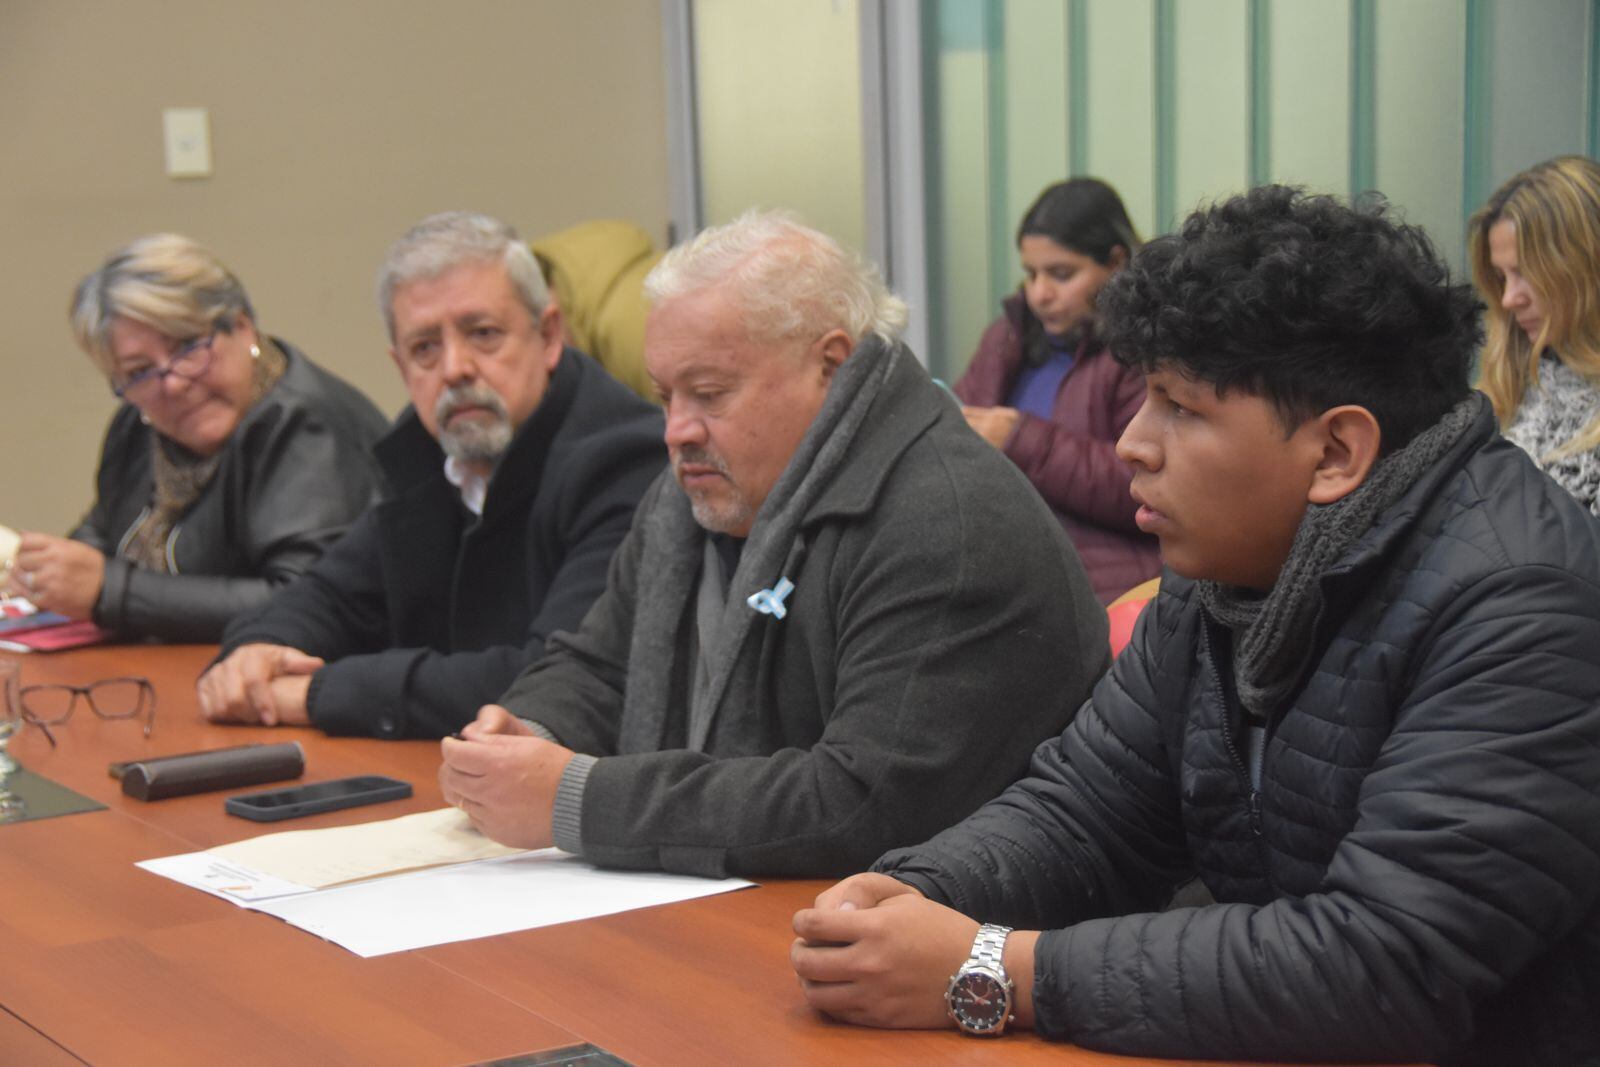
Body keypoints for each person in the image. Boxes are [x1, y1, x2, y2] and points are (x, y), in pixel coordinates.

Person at [791, 186, 1600, 1066]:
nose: (1134, 442)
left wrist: (996, 967)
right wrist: (911, 896)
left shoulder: (1522, 604)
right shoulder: (1229, 571)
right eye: (1144, 398)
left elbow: (1387, 965)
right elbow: (1087, 812)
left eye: (1181, 407)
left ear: (1336, 453)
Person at [437, 210, 1109, 878]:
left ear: (831, 365)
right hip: (740, 903)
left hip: (926, 933)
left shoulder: (947, 520)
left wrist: (577, 799)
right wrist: (532, 730)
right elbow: (600, 662)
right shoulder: (689, 496)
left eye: (708, 392)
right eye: (665, 395)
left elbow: (860, 803)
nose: (676, 430)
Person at [196, 212, 665, 739]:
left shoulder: (627, 461)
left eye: (483, 334)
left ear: (550, 335)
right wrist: (256, 653)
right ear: (400, 367)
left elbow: (552, 679)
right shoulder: (429, 449)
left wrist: (316, 693)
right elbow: (331, 596)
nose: (454, 369)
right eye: (425, 348)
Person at [2, 235, 387, 642]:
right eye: (138, 371)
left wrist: (110, 591)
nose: (172, 383)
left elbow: (307, 602)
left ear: (242, 328)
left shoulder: (311, 426)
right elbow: (105, 532)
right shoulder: (139, 424)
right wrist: (48, 570)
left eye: (187, 347)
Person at [954, 177, 1158, 603]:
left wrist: (1019, 439)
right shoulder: (1006, 340)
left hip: (1106, 591)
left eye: (1061, 274)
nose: (1039, 294)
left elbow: (1148, 483)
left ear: (1116, 262)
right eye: (1030, 274)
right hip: (1003, 580)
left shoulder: (1140, 352)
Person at [1470, 154, 1600, 514]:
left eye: (1526, 271)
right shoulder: (1506, 386)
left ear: (1586, 267)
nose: (1510, 298)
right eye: (1502, 277)